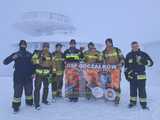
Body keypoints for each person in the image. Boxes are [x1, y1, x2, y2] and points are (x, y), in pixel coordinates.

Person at [3, 40, 34, 113]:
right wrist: (13, 57)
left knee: (29, 91)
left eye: (24, 45)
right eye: (22, 45)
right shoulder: (16, 54)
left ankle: (29, 102)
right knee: (17, 92)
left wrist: (33, 73)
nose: (23, 46)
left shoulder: (29, 54)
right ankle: (16, 106)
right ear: (19, 45)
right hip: (18, 76)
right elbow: (5, 62)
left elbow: (33, 65)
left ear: (26, 46)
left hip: (28, 76)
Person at [124, 41, 153, 109]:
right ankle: (132, 102)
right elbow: (126, 67)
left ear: (138, 46)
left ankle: (143, 104)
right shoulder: (128, 55)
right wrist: (126, 75)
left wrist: (144, 61)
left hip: (141, 76)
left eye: (136, 46)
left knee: (142, 91)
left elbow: (151, 63)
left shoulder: (143, 54)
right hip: (132, 76)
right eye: (133, 46)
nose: (135, 48)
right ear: (131, 47)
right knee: (132, 90)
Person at [102, 38, 124, 105]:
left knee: (116, 84)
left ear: (111, 43)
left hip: (116, 70)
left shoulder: (117, 50)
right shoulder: (104, 52)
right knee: (108, 83)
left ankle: (117, 97)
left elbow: (122, 58)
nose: (108, 44)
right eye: (107, 43)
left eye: (109, 42)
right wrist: (104, 67)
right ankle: (109, 96)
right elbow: (102, 61)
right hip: (108, 70)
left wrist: (121, 64)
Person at [32, 42, 52, 110]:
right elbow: (32, 60)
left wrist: (51, 72)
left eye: (47, 47)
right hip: (39, 74)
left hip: (46, 74)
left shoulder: (50, 54)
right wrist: (40, 60)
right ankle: (36, 103)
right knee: (37, 89)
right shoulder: (37, 53)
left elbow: (51, 63)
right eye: (45, 46)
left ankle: (44, 100)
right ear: (42, 47)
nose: (46, 48)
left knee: (46, 88)